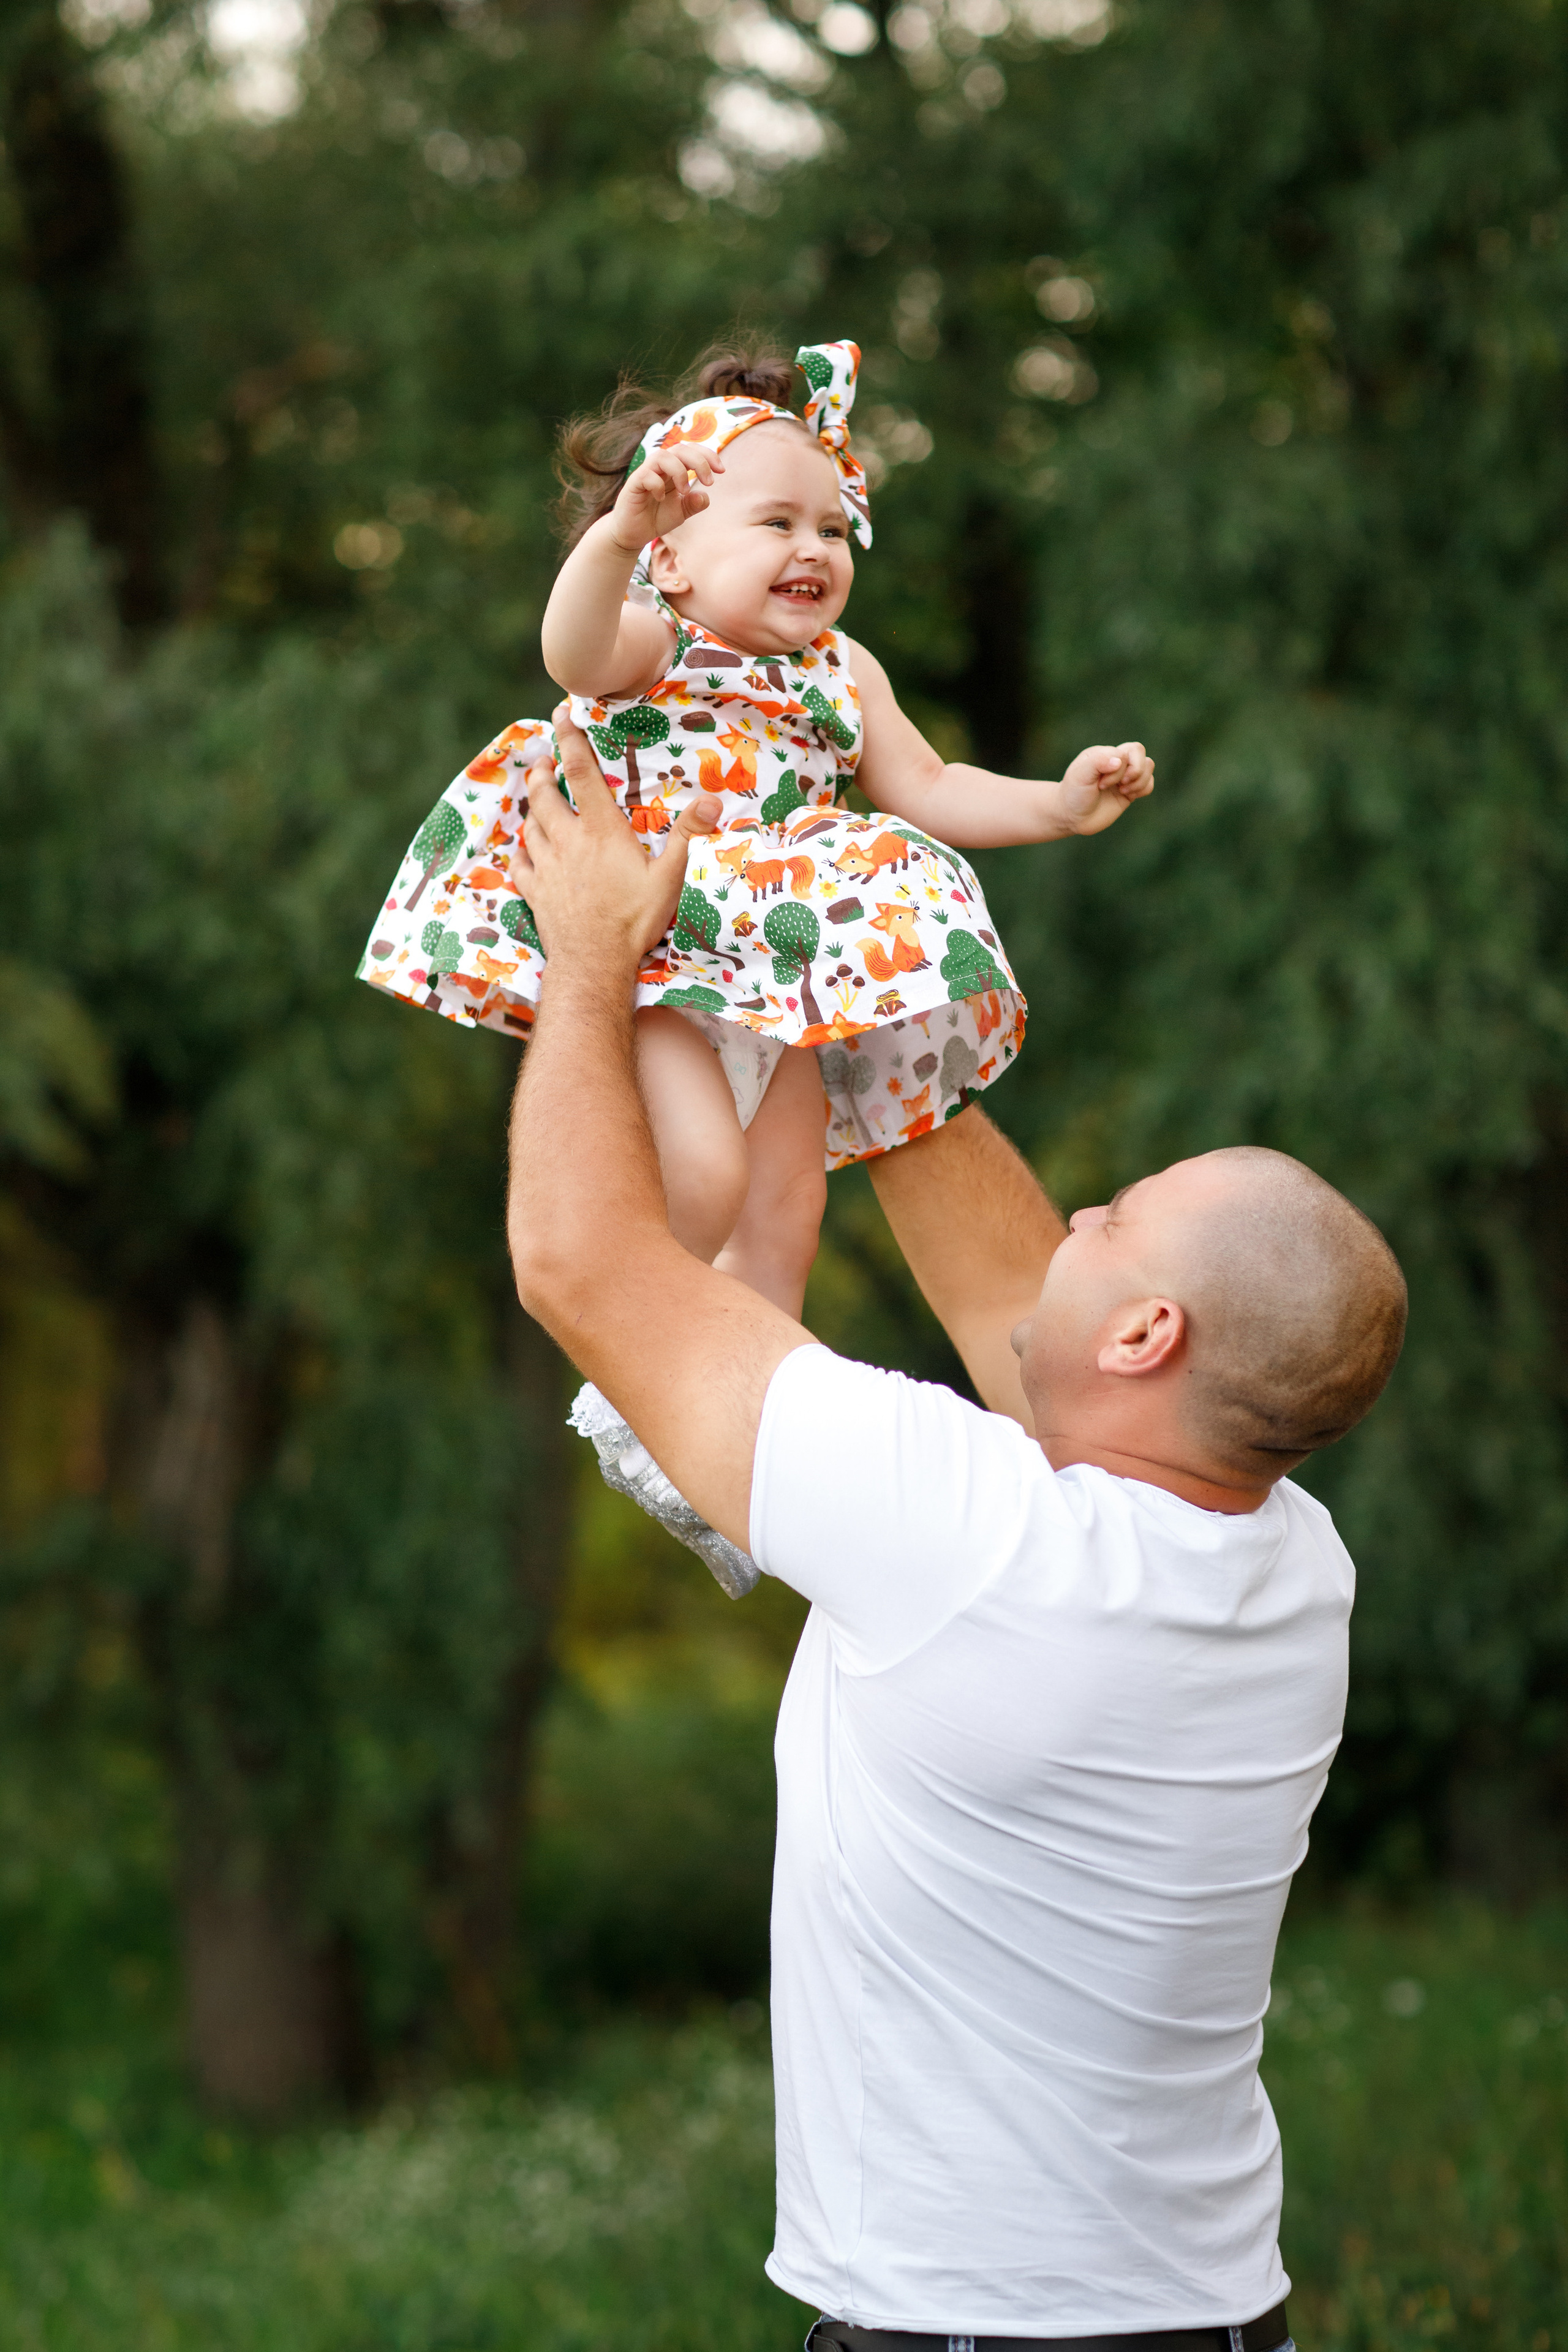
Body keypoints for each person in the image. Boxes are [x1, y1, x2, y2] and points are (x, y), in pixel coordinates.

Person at [505, 712, 1408, 2352]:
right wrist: (847, 952)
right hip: (1214, 2316)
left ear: (1145, 1335)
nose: (1074, 1218)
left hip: (969, 2335)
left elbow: (580, 1262)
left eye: (1111, 1219)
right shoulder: (1292, 1567)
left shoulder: (964, 1535)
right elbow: (1022, 1318)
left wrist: (586, 963)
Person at [359, 338, 1152, 1588]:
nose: (813, 549)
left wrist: (1057, 804)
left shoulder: (843, 671)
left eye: (832, 527)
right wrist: (617, 537)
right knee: (707, 1174)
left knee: (787, 1210)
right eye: (774, 522)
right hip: (669, 944)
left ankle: (738, 1462)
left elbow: (929, 784)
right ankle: (640, 1376)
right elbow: (569, 651)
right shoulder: (655, 640)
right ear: (674, 556)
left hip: (782, 974)